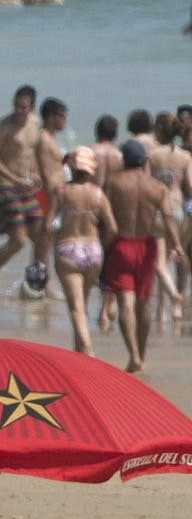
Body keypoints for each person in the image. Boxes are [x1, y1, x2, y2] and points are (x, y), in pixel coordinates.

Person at [103, 140, 184, 373]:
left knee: (125, 304)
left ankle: (134, 355)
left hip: (122, 245)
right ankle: (142, 354)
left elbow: (106, 218)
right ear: (145, 161)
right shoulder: (158, 187)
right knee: (144, 303)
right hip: (147, 247)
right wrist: (177, 244)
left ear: (123, 160)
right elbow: (168, 218)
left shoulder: (114, 183)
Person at [44, 147, 117, 355]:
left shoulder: (61, 191)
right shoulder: (98, 194)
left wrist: (54, 237)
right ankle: (78, 351)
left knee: (75, 307)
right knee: (81, 306)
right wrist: (102, 246)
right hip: (94, 251)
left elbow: (47, 225)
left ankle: (88, 352)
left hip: (68, 250)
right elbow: (112, 228)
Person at [0, 85, 42, 301]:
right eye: (16, 106)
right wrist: (16, 179)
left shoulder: (35, 123)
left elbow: (30, 153)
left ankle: (36, 284)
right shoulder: (4, 127)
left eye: (23, 107)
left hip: (25, 188)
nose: (19, 111)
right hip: (5, 187)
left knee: (41, 233)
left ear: (32, 107)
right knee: (18, 241)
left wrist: (36, 173)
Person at [148, 112, 192, 320]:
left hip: (158, 210)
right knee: (171, 259)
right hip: (179, 211)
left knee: (159, 262)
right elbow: (190, 188)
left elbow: (146, 185)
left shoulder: (153, 156)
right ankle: (163, 312)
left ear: (160, 130)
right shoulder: (185, 157)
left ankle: (174, 297)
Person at [32, 97, 70, 294]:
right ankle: (40, 285)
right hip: (47, 197)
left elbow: (49, 166)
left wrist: (62, 163)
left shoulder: (49, 138)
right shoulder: (42, 137)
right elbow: (32, 162)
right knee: (44, 243)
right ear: (51, 116)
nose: (65, 120)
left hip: (54, 197)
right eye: (62, 116)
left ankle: (40, 284)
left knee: (48, 243)